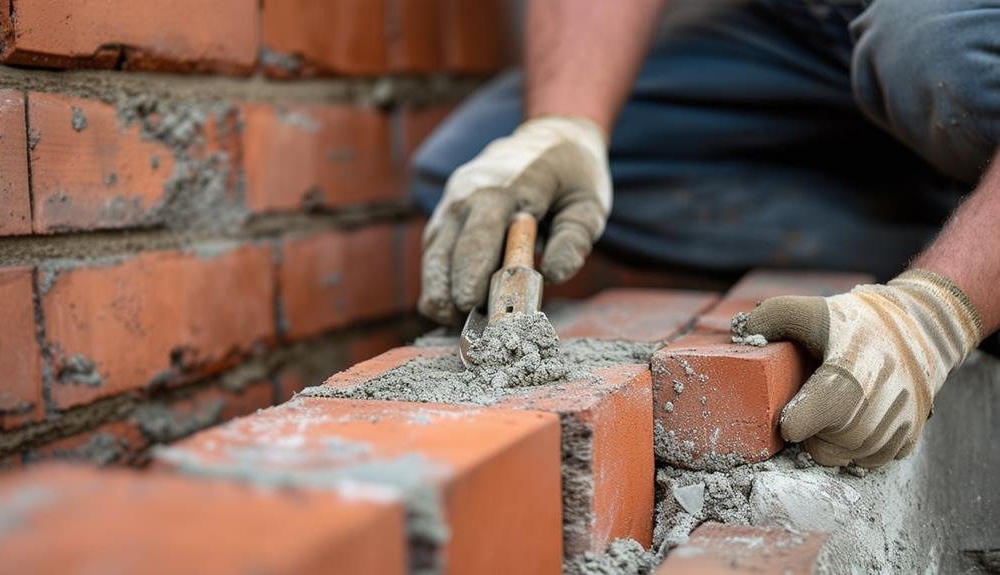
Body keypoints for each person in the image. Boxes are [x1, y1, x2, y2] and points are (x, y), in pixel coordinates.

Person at [410, 0, 1000, 468]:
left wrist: (938, 312)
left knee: (932, 44)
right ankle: (946, 221)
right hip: (808, 24)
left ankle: (969, 261)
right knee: (462, 167)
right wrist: (565, 125)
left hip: (946, 31)